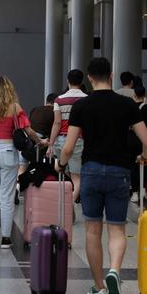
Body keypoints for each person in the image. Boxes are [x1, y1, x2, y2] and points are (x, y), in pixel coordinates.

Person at [57, 57, 147, 294]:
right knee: (117, 229)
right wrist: (143, 157)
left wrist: (61, 164)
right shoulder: (127, 105)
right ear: (110, 75)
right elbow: (146, 138)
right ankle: (115, 271)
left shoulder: (81, 106)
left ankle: (99, 287)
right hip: (120, 172)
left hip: (92, 171)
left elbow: (69, 146)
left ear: (89, 77)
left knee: (92, 230)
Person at [0, 76, 45, 249]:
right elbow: (28, 130)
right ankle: (6, 238)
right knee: (6, 196)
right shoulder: (14, 107)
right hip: (7, 151)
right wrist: (39, 142)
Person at [48, 69, 87, 204]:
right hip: (78, 140)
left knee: (64, 173)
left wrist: (51, 143)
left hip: (61, 140)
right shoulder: (86, 99)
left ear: (67, 81)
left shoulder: (59, 99)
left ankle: (65, 203)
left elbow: (57, 123)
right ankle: (69, 203)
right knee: (77, 177)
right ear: (82, 82)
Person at [130, 86, 147, 204]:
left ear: (134, 95)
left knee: (132, 166)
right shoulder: (145, 108)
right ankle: (144, 190)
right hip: (143, 140)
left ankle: (134, 192)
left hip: (131, 140)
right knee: (144, 165)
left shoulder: (130, 107)